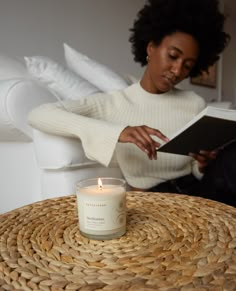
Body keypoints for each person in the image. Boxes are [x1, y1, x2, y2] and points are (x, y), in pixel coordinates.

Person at [28, 0, 235, 206]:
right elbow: (39, 114)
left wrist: (203, 165)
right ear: (151, 47)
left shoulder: (193, 102)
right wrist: (118, 132)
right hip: (154, 199)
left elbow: (197, 171)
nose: (177, 70)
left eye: (187, 66)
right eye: (173, 56)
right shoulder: (113, 104)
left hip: (198, 196)